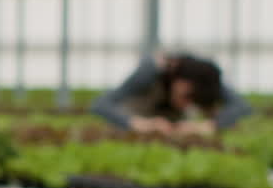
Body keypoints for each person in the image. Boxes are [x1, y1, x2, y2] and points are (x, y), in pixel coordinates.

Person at [92, 51, 252, 136]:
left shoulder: (206, 80)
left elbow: (242, 106)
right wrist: (139, 124)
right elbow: (100, 105)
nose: (187, 104)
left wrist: (209, 126)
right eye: (186, 96)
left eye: (194, 100)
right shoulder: (150, 71)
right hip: (136, 133)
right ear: (178, 78)